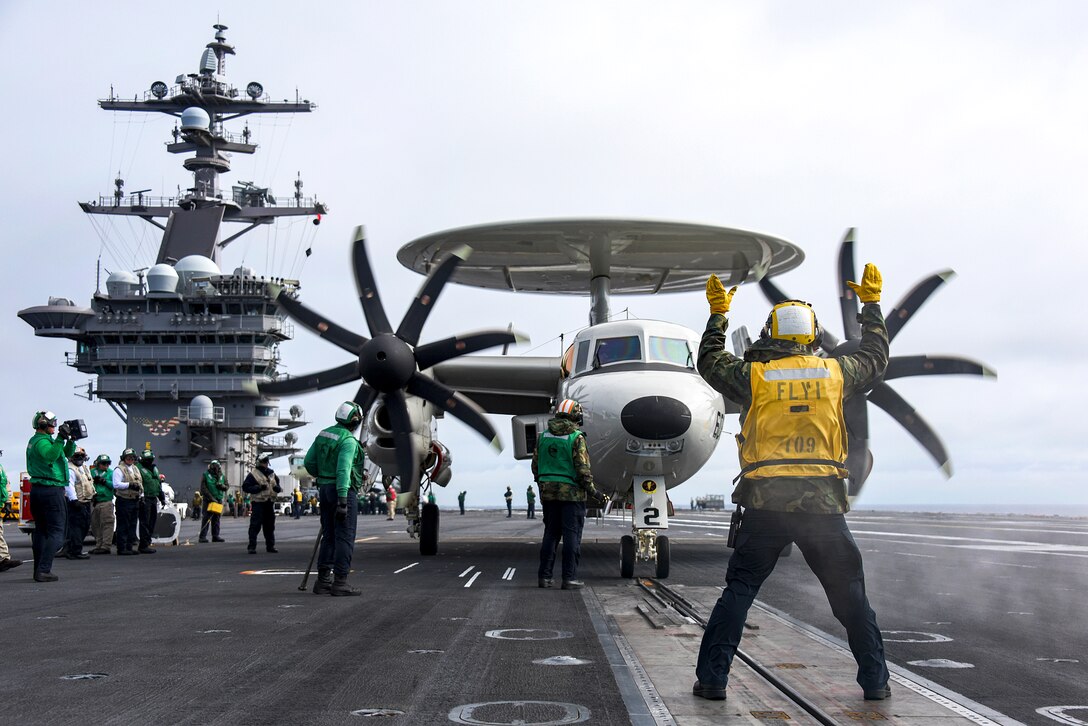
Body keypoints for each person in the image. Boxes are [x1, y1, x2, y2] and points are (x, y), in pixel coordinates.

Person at [691, 267, 892, 703]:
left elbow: (709, 361)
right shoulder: (837, 374)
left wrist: (718, 314)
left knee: (740, 591)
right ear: (812, 335)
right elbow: (876, 359)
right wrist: (871, 308)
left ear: (771, 334)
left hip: (766, 504)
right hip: (822, 504)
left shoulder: (754, 378)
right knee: (850, 595)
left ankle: (712, 680)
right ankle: (875, 682)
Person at [533, 399, 604, 590]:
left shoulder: (543, 436)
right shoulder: (576, 437)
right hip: (571, 495)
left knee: (550, 534)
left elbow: (535, 466)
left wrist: (543, 484)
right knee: (572, 536)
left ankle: (544, 577)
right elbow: (582, 470)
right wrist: (595, 493)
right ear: (574, 415)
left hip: (548, 493)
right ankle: (569, 578)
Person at [304, 401, 367, 596]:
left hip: (325, 489)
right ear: (355, 421)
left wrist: (323, 475)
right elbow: (343, 470)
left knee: (329, 535)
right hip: (343, 492)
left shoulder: (323, 434)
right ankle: (340, 582)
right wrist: (342, 501)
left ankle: (323, 581)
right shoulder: (348, 441)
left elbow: (309, 462)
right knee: (345, 537)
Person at [26, 411, 77, 581]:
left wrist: (70, 440)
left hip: (39, 491)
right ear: (42, 425)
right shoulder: (42, 442)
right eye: (52, 424)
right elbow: (50, 456)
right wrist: (61, 438)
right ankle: (44, 569)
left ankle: (38, 570)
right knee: (57, 533)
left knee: (41, 531)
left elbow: (64, 453)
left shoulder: (41, 441)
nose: (55, 426)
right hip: (51, 491)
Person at [243, 452, 281, 554]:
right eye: (264, 462)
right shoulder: (253, 474)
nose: (266, 464)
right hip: (258, 503)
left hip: (269, 503)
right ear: (259, 462)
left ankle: (270, 546)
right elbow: (246, 487)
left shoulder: (272, 473)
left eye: (266, 462)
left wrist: (277, 488)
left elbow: (277, 483)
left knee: (269, 526)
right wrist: (258, 488)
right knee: (255, 525)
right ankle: (252, 547)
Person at [64, 447, 95, 560]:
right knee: (76, 527)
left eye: (81, 456)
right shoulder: (71, 469)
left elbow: (89, 483)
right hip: (77, 502)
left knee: (84, 526)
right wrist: (74, 500)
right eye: (77, 456)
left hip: (86, 501)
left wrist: (94, 494)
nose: (79, 458)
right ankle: (74, 551)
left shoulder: (84, 468)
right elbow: (69, 485)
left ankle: (75, 549)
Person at [112, 448, 144, 556]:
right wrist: (129, 485)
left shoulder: (135, 469)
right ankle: (122, 547)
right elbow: (116, 484)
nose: (130, 459)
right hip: (124, 500)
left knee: (132, 524)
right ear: (124, 458)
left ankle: (129, 547)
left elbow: (140, 483)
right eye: (128, 457)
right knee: (123, 524)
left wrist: (142, 495)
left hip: (134, 500)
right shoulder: (119, 469)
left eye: (132, 458)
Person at [136, 449, 166, 554]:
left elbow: (157, 482)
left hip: (154, 497)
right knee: (145, 522)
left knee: (152, 521)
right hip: (145, 498)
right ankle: (143, 545)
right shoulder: (138, 468)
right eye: (147, 459)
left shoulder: (154, 468)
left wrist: (161, 497)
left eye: (150, 459)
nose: (149, 461)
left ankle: (147, 542)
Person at [0, 453, 23, 572]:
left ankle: (3, 560)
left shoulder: (0, 468)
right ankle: (3, 559)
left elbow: (5, 484)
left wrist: (8, 501)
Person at [89, 454, 115, 554]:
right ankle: (98, 545)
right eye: (103, 463)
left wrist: (104, 481)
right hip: (95, 501)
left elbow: (114, 485)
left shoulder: (111, 473)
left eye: (107, 463)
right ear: (98, 464)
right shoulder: (92, 472)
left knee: (107, 523)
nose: (106, 465)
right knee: (95, 525)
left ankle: (106, 546)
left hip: (106, 501)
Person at [199, 460, 229, 543]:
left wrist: (222, 486)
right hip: (208, 500)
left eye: (217, 467)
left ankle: (215, 536)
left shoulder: (222, 476)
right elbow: (203, 489)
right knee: (206, 518)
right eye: (214, 467)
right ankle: (202, 537)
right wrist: (211, 498)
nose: (215, 469)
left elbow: (227, 486)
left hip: (218, 500)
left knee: (216, 519)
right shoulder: (206, 475)